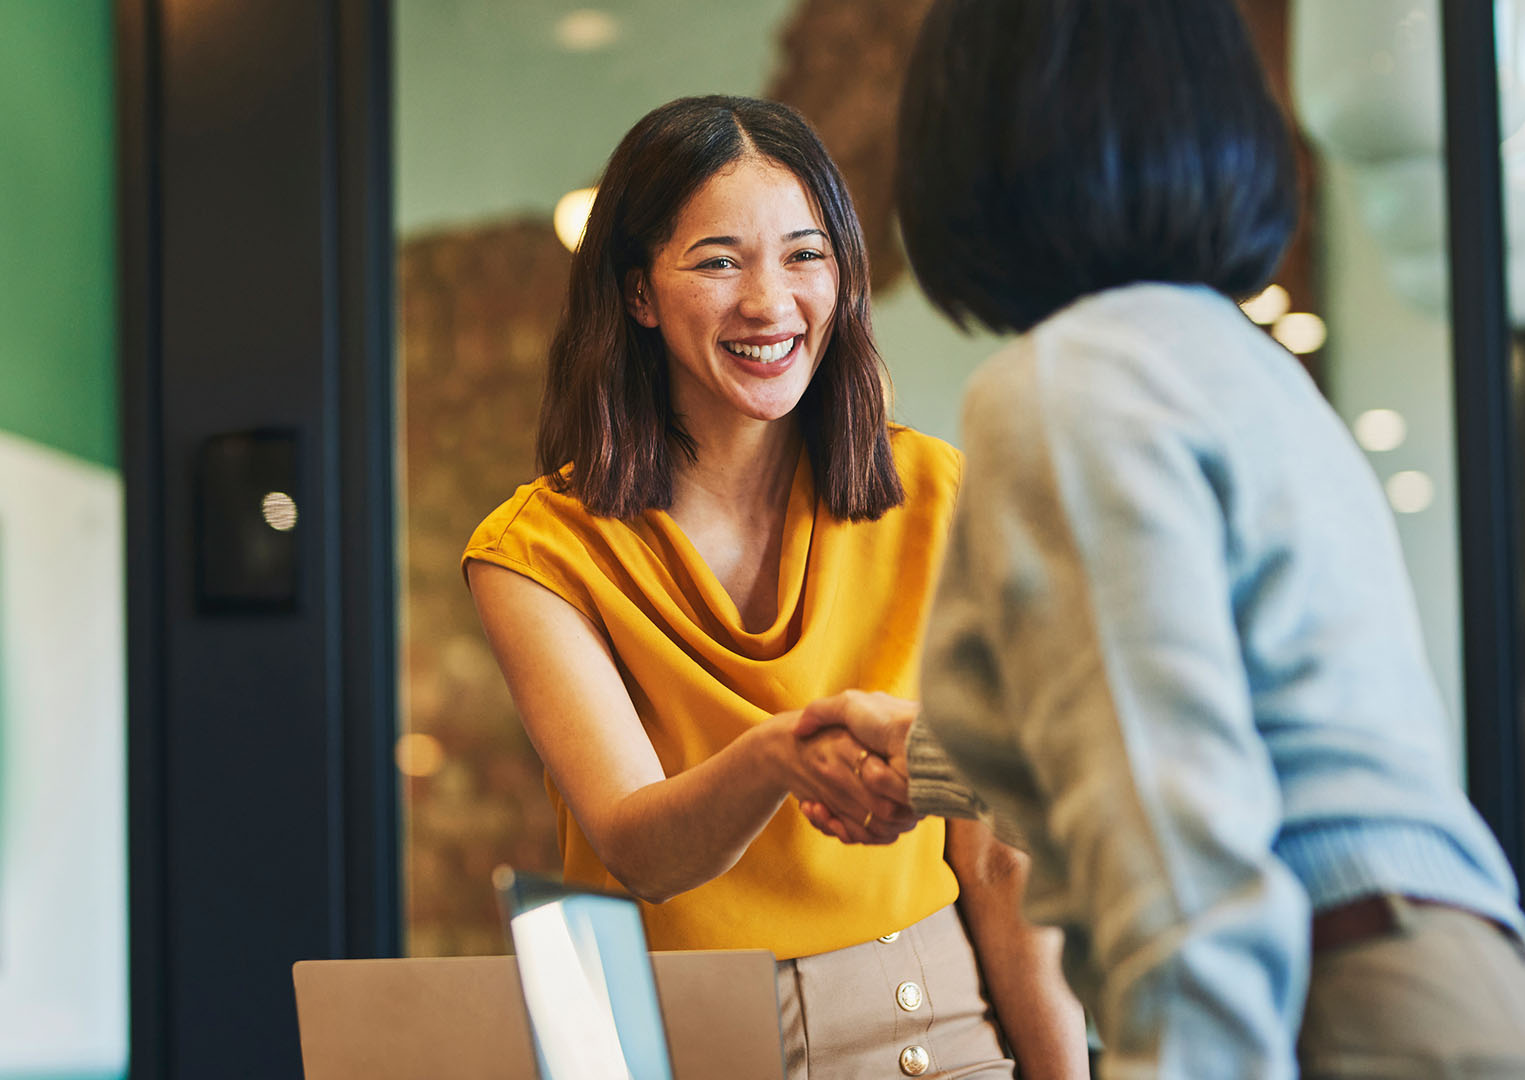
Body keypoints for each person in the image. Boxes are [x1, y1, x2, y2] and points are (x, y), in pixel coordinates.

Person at [791, 2, 1525, 1078]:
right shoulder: (1236, 363)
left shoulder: (1070, 386)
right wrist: (930, 760)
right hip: (1446, 985)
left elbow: (1179, 866)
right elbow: (1239, 736)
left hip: (1339, 1008)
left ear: (978, 136)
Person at [462, 95, 1088, 1078]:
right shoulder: (535, 553)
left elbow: (1001, 856)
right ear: (637, 293)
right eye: (718, 261)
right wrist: (783, 756)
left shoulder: (939, 495)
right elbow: (642, 851)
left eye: (806, 255)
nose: (769, 301)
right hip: (670, 1042)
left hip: (935, 1033)